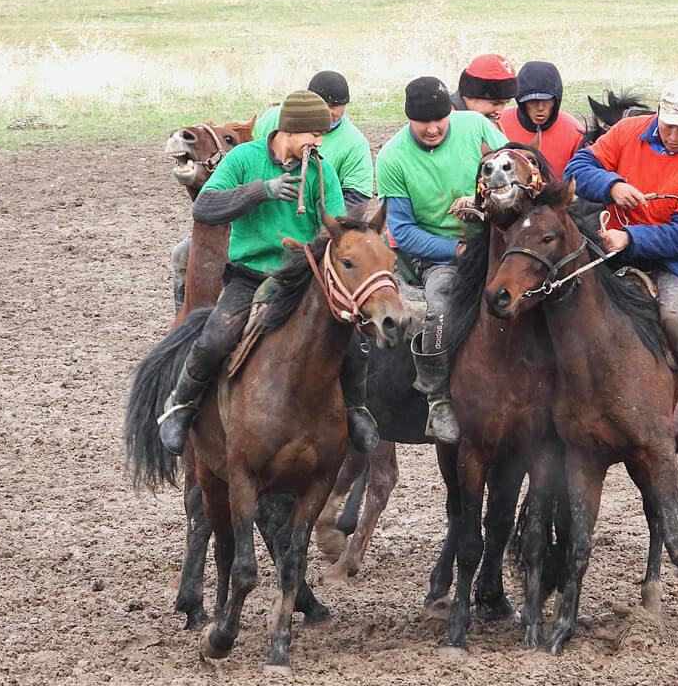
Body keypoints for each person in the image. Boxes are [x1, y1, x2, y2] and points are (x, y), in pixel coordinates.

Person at [157, 90, 380, 456]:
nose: (319, 142)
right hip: (250, 274)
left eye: (322, 135)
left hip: (305, 279)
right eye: (314, 134)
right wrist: (262, 190)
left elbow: (337, 227)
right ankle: (180, 405)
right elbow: (206, 207)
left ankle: (356, 409)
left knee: (354, 344)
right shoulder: (245, 159)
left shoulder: (321, 172)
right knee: (215, 336)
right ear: (290, 131)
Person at [564, 79, 678, 454]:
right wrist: (612, 186)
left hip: (675, 262)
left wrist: (630, 239)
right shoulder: (626, 131)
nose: (672, 136)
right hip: (612, 248)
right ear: (658, 113)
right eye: (668, 125)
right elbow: (579, 165)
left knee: (676, 317)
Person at [376, 76, 507, 443]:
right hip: (438, 255)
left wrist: (480, 202)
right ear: (408, 119)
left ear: (451, 111)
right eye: (423, 122)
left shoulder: (478, 127)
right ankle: (438, 397)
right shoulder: (392, 158)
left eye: (439, 119)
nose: (433, 129)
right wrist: (457, 251)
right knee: (440, 309)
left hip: (493, 240)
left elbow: (512, 178)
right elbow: (401, 232)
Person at [253, 70, 374, 209]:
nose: (325, 111)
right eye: (320, 103)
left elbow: (356, 197)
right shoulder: (275, 118)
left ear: (345, 105)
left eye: (333, 106)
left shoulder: (355, 143)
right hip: (264, 206)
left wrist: (322, 223)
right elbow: (250, 154)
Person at [498, 60, 586, 178]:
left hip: (556, 194)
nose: (540, 108)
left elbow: (586, 172)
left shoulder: (574, 131)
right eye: (533, 101)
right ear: (521, 101)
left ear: (556, 101)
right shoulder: (499, 125)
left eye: (547, 100)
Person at [449, 54, 518, 129]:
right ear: (469, 94)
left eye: (505, 104)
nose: (500, 112)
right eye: (495, 104)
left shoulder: (491, 123)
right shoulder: (443, 121)